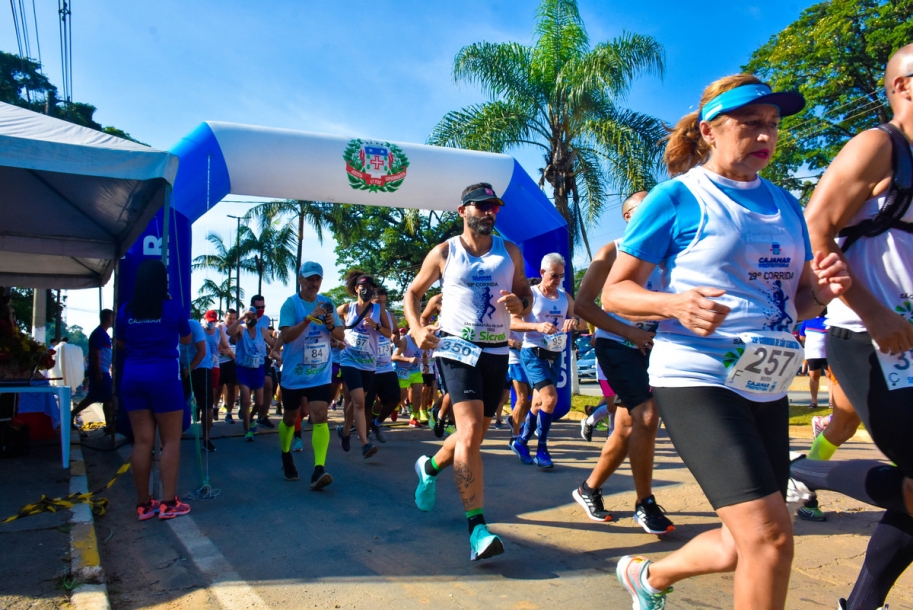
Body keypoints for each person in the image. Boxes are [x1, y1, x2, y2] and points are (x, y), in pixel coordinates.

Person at [602, 74, 850, 609]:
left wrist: (822, 292)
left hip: (766, 379)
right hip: (697, 376)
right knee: (769, 538)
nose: (765, 135)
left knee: (748, 542)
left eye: (773, 125)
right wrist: (674, 304)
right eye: (750, 123)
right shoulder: (677, 198)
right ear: (710, 130)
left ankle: (650, 576)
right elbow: (615, 292)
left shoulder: (787, 204)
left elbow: (795, 304)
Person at [796, 44, 913, 610]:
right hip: (867, 338)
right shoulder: (878, 146)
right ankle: (806, 470)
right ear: (904, 86)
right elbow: (815, 227)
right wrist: (874, 312)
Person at [406, 182, 533, 561]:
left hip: (496, 352)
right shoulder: (445, 252)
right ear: (463, 211)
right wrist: (417, 329)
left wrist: (521, 303)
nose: (489, 212)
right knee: (472, 429)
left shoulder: (510, 252)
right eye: (481, 206)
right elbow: (412, 293)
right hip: (456, 349)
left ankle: (429, 468)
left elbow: (525, 294)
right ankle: (477, 530)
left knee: (470, 437)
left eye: (494, 207)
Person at [571, 191, 674, 534]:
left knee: (627, 427)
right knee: (647, 415)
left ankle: (589, 489)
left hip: (654, 348)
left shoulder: (669, 255)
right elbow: (583, 306)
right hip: (616, 344)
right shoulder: (611, 252)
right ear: (628, 217)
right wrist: (630, 332)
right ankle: (645, 504)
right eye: (646, 208)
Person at [116, 259, 193, 520]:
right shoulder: (172, 308)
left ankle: (144, 504)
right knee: (170, 440)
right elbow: (186, 338)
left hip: (132, 378)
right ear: (163, 282)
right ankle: (168, 503)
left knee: (142, 442)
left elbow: (121, 343)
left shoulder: (126, 310)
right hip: (164, 378)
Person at [276, 261, 345, 489]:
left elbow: (341, 335)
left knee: (320, 415)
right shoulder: (291, 304)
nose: (313, 283)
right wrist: (308, 318)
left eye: (317, 279)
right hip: (294, 374)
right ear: (300, 280)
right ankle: (286, 453)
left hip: (319, 373)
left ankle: (319, 469)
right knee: (290, 417)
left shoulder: (328, 303)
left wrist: (330, 325)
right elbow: (286, 337)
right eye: (309, 279)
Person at [509, 253, 578, 468]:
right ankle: (542, 449)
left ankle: (521, 442)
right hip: (532, 353)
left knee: (539, 403)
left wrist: (574, 322)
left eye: (561, 276)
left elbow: (580, 320)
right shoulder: (531, 295)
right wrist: (537, 326)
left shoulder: (565, 297)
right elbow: (512, 323)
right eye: (554, 275)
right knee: (550, 399)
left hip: (554, 354)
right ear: (542, 272)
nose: (557, 280)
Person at [336, 271, 392, 458]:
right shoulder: (346, 308)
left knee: (357, 401)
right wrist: (335, 338)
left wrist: (376, 326)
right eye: (363, 287)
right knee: (360, 402)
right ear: (356, 289)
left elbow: (388, 333)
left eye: (369, 288)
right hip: (349, 359)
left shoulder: (378, 310)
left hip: (369, 363)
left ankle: (344, 430)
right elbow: (330, 323)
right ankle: (365, 444)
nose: (366, 290)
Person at [363, 286, 402, 442]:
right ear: (370, 301)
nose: (382, 305)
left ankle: (376, 423)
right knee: (366, 404)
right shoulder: (365, 315)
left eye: (384, 302)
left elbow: (396, 331)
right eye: (378, 302)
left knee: (394, 399)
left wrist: (396, 338)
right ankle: (365, 436)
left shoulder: (390, 316)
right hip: (368, 367)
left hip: (386, 367)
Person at [226, 300, 269, 441]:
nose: (252, 318)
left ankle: (250, 417)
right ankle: (247, 429)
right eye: (249, 316)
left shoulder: (261, 330)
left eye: (254, 316)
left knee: (260, 402)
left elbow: (272, 342)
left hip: (258, 368)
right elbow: (229, 332)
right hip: (243, 368)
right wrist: (241, 318)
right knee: (246, 400)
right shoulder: (241, 329)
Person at [72, 309, 114, 432]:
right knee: (107, 398)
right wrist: (98, 372)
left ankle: (108, 424)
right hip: (101, 370)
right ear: (108, 318)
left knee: (95, 397)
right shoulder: (99, 334)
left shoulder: (102, 334)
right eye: (113, 317)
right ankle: (109, 425)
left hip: (102, 369)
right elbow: (95, 353)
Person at [181, 314, 215, 452]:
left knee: (207, 405)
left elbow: (202, 352)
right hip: (182, 365)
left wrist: (188, 370)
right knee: (175, 403)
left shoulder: (193, 325)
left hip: (202, 365)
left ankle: (206, 439)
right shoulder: (168, 326)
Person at [202, 310, 229, 422]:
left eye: (213, 321)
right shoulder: (200, 330)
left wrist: (225, 351)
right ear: (204, 319)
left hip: (215, 363)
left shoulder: (218, 331)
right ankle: (201, 407)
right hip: (201, 364)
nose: (211, 323)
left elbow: (226, 347)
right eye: (209, 321)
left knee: (214, 387)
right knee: (202, 387)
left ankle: (212, 407)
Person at [505, 329, 531, 445]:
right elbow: (498, 335)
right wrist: (513, 342)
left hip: (532, 358)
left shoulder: (534, 317)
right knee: (522, 398)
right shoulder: (508, 318)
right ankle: (515, 435)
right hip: (516, 359)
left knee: (535, 398)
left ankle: (513, 419)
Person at [798, 315, 830, 408]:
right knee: (813, 376)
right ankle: (814, 402)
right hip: (812, 353)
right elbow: (801, 337)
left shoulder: (829, 319)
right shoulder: (807, 320)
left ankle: (832, 402)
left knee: (830, 376)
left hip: (827, 354)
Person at [217, 309, 238, 423]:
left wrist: (233, 356)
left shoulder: (237, 328)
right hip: (220, 362)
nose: (232, 321)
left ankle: (229, 413)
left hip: (232, 362)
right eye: (230, 318)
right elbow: (219, 344)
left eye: (234, 318)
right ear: (225, 317)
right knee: (218, 387)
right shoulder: (219, 327)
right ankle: (215, 406)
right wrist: (231, 354)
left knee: (231, 387)